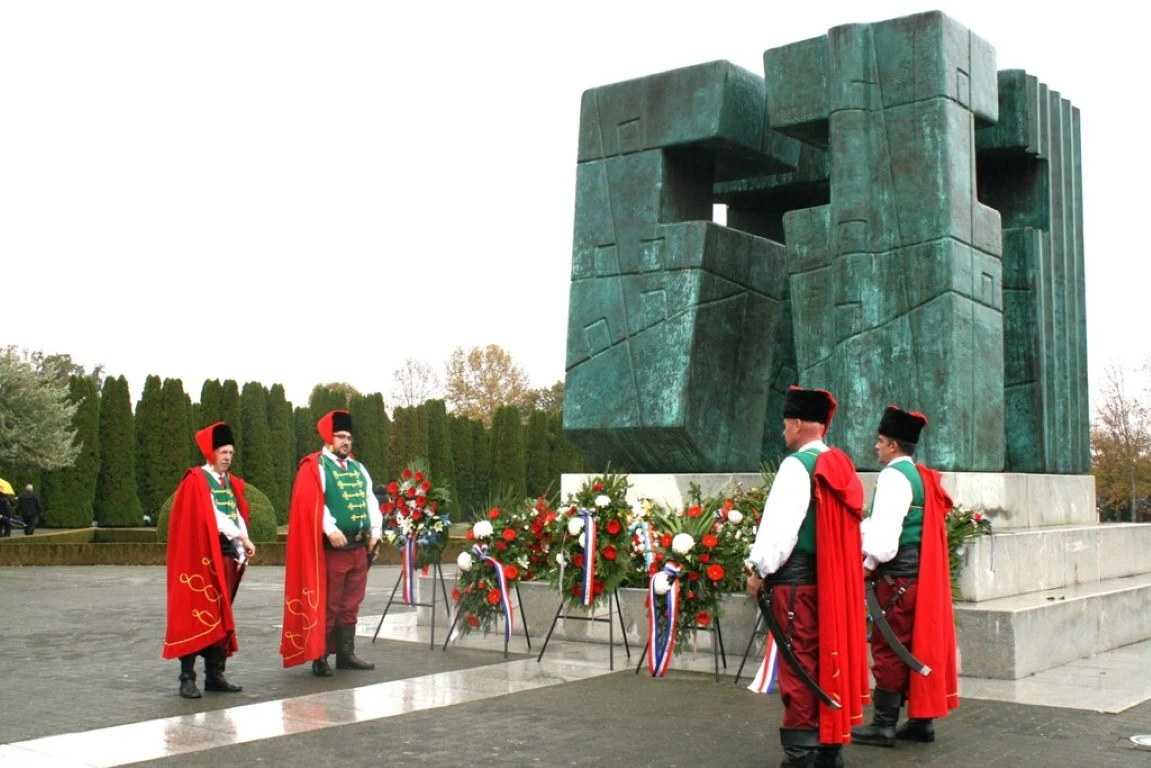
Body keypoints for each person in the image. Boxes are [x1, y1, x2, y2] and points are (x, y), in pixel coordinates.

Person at [745, 386, 868, 768]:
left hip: (796, 585)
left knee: (798, 664)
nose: (784, 433)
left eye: (785, 425)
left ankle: (800, 754)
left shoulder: (796, 466)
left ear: (798, 424)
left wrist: (757, 569)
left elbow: (780, 529)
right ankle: (830, 748)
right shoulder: (841, 466)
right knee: (827, 656)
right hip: (831, 583)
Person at [851, 406, 958, 747]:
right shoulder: (920, 476)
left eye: (880, 442)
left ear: (894, 445)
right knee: (914, 645)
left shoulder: (894, 477)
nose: (876, 447)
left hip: (895, 577)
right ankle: (921, 723)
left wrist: (865, 564)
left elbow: (885, 539)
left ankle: (883, 725)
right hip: (914, 577)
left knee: (889, 648)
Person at [281, 409, 382, 676]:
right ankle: (320, 656)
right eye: (340, 436)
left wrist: (376, 532)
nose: (346, 442)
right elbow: (313, 502)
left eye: (349, 437)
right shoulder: (316, 466)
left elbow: (370, 500)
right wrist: (329, 528)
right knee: (330, 603)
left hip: (359, 548)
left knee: (351, 604)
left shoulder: (359, 468)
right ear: (329, 438)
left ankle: (346, 654)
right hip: (334, 550)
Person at [162, 422, 255, 699]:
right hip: (199, 561)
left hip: (224, 557)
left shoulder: (228, 483)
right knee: (195, 614)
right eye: (223, 452)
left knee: (221, 614)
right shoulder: (195, 481)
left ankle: (215, 675)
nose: (227, 457)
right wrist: (241, 536)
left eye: (230, 452)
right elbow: (213, 516)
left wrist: (240, 545)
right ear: (210, 452)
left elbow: (235, 514)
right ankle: (186, 678)